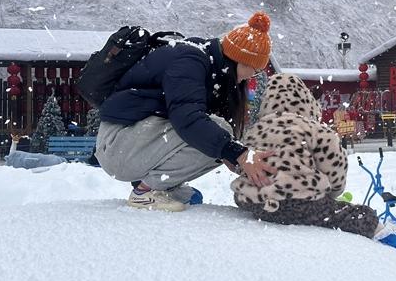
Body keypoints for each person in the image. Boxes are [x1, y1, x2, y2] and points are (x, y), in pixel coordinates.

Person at [95, 12, 277, 212]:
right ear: (241, 60)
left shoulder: (210, 66)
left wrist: (230, 154)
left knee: (220, 140)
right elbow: (187, 119)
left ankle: (164, 185)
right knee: (218, 133)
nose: (252, 76)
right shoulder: (190, 61)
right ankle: (145, 192)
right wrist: (239, 154)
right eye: (254, 69)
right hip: (117, 143)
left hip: (134, 141)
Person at [231, 73, 382, 239]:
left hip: (253, 201)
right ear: (306, 99)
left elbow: (244, 166)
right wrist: (331, 195)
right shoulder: (313, 129)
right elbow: (335, 171)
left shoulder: (254, 131)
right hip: (299, 203)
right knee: (360, 215)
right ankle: (385, 234)